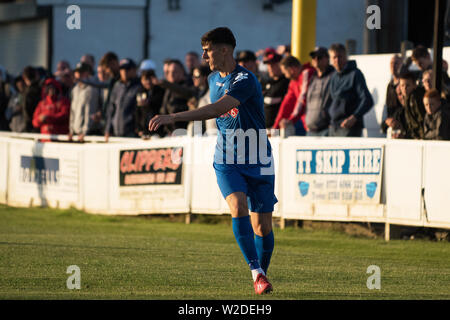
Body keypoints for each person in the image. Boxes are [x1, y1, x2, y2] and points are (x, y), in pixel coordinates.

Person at [148, 27, 275, 295]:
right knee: (238, 205)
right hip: (227, 157)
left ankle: (261, 274)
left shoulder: (245, 79)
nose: (204, 55)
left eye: (208, 50)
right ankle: (256, 273)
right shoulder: (212, 79)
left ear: (225, 50)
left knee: (262, 226)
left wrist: (174, 117)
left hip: (258, 156)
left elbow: (217, 109)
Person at [328, 43, 374, 137]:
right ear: (331, 59)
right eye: (334, 57)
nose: (337, 60)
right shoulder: (333, 77)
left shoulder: (355, 74)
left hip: (349, 128)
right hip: (333, 128)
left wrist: (354, 117)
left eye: (339, 56)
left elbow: (367, 100)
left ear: (346, 56)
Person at [272, 55, 315, 136]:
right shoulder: (294, 82)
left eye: (285, 72)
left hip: (316, 123)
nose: (285, 76)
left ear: (291, 69)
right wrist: (276, 126)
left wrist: (291, 120)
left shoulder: (307, 73)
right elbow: (286, 104)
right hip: (307, 124)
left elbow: (302, 99)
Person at [157, 59, 197, 136]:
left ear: (182, 72)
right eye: (169, 72)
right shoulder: (168, 89)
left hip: (184, 132)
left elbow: (187, 93)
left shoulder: (189, 84)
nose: (171, 74)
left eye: (174, 72)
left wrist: (166, 84)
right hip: (170, 133)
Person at [104, 58, 141, 140]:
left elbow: (140, 111)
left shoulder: (140, 86)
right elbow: (111, 109)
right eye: (122, 69)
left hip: (132, 133)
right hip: (116, 133)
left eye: (127, 69)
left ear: (134, 70)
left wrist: (139, 128)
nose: (124, 72)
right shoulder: (117, 86)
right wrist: (108, 129)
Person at [305, 47, 335, 136]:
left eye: (320, 57)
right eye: (314, 57)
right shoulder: (313, 78)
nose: (316, 60)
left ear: (327, 58)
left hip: (326, 129)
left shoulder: (333, 76)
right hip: (310, 129)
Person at [68, 63, 101, 142]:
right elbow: (72, 112)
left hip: (86, 135)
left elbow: (90, 112)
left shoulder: (91, 89)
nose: (79, 74)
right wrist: (71, 130)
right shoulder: (75, 90)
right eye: (77, 72)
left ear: (87, 73)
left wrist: (85, 132)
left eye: (81, 72)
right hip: (76, 133)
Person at [260, 48, 289, 129]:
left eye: (273, 65)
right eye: (268, 65)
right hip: (265, 129)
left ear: (281, 65)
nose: (270, 68)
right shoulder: (268, 83)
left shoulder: (286, 82)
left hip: (279, 129)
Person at [135, 69, 165, 137]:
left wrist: (149, 102)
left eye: (150, 79)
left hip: (159, 130)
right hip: (144, 129)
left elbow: (161, 105)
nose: (148, 82)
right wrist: (138, 129)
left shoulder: (160, 90)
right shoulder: (140, 92)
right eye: (145, 79)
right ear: (141, 81)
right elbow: (137, 112)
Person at [399, 72, 426, 139]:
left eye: (407, 85)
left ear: (414, 85)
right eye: (402, 85)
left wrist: (421, 137)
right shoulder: (407, 98)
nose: (404, 88)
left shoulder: (415, 98)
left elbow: (421, 120)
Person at [381, 55, 403, 134]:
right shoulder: (390, 86)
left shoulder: (404, 84)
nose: (393, 66)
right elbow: (389, 108)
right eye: (391, 63)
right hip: (391, 125)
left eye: (396, 63)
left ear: (402, 65)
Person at [21, 66, 42, 132]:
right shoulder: (40, 89)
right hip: (38, 125)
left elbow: (26, 110)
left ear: (24, 78)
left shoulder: (27, 92)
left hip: (31, 127)